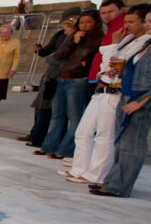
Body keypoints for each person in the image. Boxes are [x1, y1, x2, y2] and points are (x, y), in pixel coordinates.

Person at [89, 6, 151, 198]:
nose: (147, 25)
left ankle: (119, 186)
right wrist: (118, 71)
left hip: (141, 98)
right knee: (122, 141)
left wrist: (143, 101)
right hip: (128, 93)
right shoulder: (148, 42)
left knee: (132, 143)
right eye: (146, 21)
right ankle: (112, 181)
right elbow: (135, 67)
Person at [65, 5, 151, 184]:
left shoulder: (145, 42)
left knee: (104, 135)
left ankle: (97, 173)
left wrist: (113, 49)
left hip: (115, 91)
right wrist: (114, 45)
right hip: (102, 89)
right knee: (83, 131)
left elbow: (117, 65)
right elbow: (107, 66)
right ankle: (80, 168)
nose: (127, 25)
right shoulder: (126, 39)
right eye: (126, 21)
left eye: (132, 22)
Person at [37, 10, 104, 160]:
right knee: (57, 115)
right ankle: (49, 146)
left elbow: (89, 58)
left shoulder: (98, 38)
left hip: (78, 79)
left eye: (89, 22)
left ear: (96, 23)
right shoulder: (73, 36)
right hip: (62, 77)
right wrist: (73, 41)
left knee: (74, 116)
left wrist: (83, 61)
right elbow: (58, 55)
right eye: (82, 22)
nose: (84, 25)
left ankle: (66, 149)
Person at [20, 13, 77, 146]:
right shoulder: (59, 35)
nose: (65, 30)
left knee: (55, 111)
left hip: (60, 76)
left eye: (67, 27)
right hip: (50, 75)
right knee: (41, 106)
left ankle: (46, 138)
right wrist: (40, 50)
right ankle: (36, 135)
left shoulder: (74, 39)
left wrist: (52, 57)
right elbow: (48, 52)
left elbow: (60, 58)